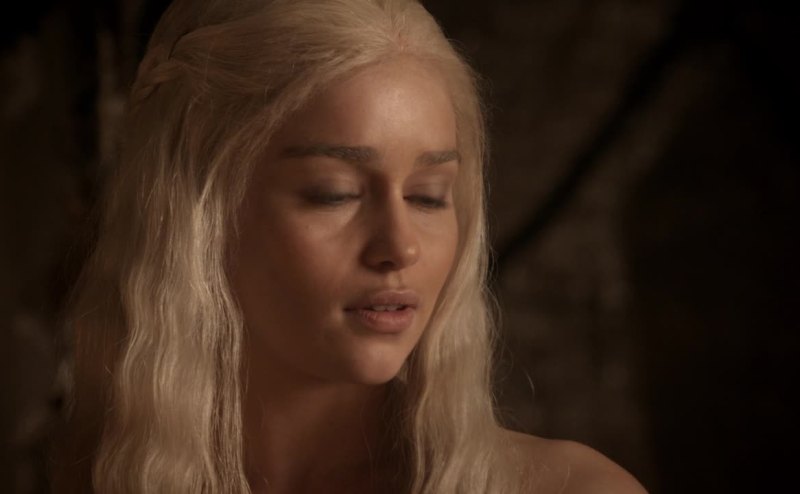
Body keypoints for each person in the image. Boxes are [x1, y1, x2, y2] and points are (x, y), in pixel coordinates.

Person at [51, 0, 647, 492]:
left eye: (428, 196)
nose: (400, 247)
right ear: (199, 214)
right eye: (333, 193)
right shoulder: (95, 478)